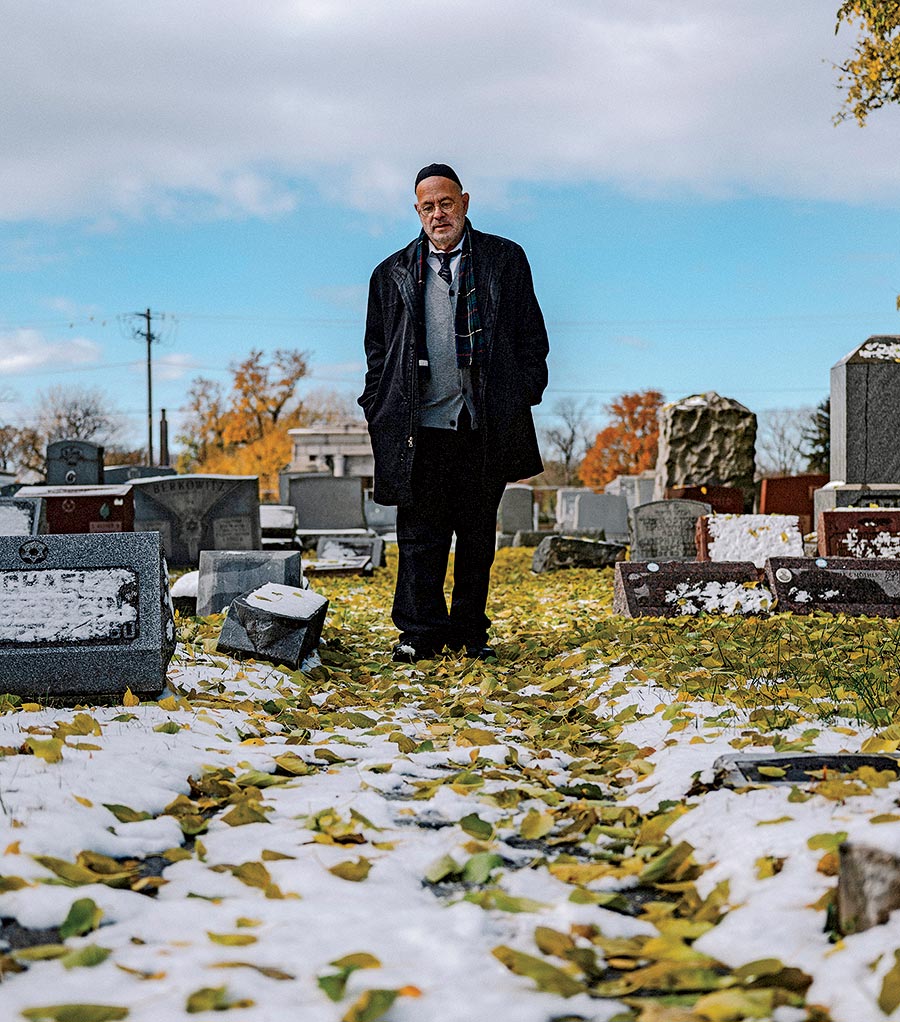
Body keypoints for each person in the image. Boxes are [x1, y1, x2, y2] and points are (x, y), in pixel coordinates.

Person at [358, 163, 549, 662]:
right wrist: (377, 405)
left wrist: (521, 392)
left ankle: (469, 634)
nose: (438, 214)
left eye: (446, 203)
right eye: (428, 206)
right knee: (420, 539)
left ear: (464, 202)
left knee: (476, 539)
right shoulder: (391, 273)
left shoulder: (504, 259)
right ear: (416, 210)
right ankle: (420, 635)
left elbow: (532, 337)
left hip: (482, 427)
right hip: (417, 430)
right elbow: (377, 353)